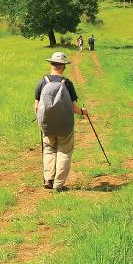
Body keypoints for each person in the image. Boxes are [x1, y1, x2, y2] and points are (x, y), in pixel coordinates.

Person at [34, 52, 88, 192]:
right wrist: (83, 112)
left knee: (49, 149)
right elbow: (73, 107)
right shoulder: (67, 83)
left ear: (51, 64)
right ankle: (58, 185)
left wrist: (41, 122)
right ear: (63, 66)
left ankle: (48, 179)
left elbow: (36, 106)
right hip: (65, 125)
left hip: (47, 125)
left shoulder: (42, 82)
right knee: (64, 151)